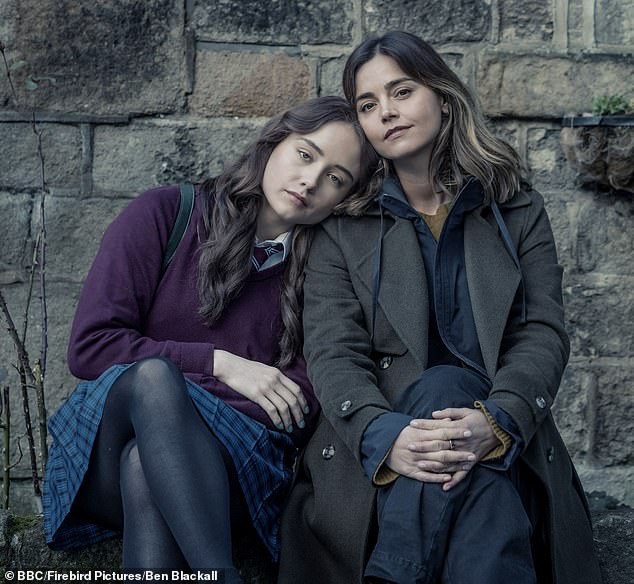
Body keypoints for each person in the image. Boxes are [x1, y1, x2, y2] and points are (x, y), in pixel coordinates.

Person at [278, 32, 602, 584]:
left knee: (450, 388)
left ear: (443, 95)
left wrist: (496, 423)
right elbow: (333, 353)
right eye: (368, 105)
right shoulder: (344, 229)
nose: (387, 112)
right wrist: (388, 437)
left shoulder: (518, 211)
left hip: (500, 442)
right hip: (379, 456)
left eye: (401, 91)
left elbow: (542, 333)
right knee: (444, 393)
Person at [42, 95, 378, 583]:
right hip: (106, 460)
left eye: (335, 178)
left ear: (344, 197)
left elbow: (296, 405)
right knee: (153, 384)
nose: (311, 180)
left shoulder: (327, 272)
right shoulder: (164, 213)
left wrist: (183, 407)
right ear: (274, 142)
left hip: (232, 472)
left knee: (148, 464)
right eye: (306, 155)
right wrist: (224, 366)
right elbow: (92, 347)